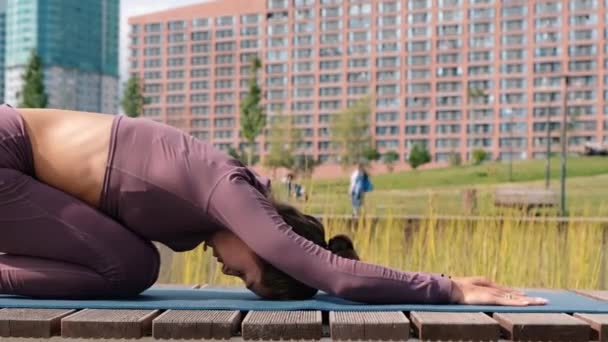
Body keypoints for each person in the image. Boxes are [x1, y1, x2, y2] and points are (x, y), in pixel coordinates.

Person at [0, 105, 547, 306]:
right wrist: (448, 286)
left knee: (134, 262)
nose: (231, 271)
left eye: (241, 283)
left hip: (14, 169)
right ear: (270, 243)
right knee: (131, 266)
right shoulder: (229, 191)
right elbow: (335, 275)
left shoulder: (211, 207)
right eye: (250, 274)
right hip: (7, 152)